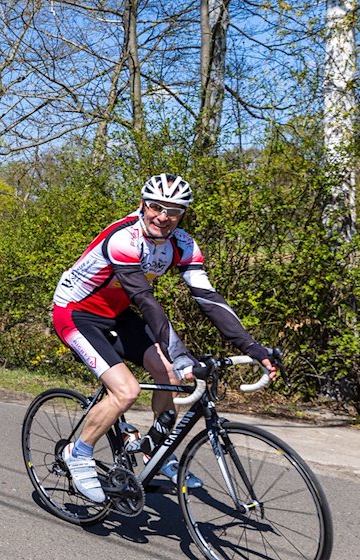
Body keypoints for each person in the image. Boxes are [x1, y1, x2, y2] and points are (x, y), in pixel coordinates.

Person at [51, 173, 278, 504]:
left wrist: (253, 348)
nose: (163, 216)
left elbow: (208, 298)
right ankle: (78, 453)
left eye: (173, 210)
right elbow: (146, 301)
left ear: (183, 214)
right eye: (156, 207)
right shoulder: (123, 239)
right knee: (126, 390)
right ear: (143, 205)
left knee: (168, 375)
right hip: (75, 314)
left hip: (117, 316)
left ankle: (153, 452)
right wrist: (182, 355)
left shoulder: (182, 244)